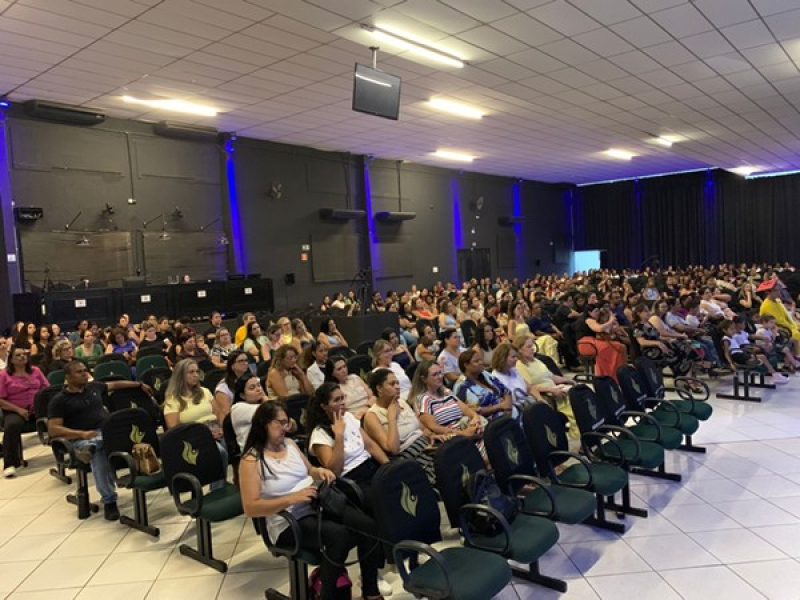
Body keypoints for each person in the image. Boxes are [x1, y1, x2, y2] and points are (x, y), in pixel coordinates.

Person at [239, 401, 384, 600]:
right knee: (339, 537)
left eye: (287, 422)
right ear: (264, 424)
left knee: (368, 526)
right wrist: (292, 498)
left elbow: (309, 470)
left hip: (316, 505)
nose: (285, 428)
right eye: (280, 423)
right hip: (287, 522)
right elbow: (251, 508)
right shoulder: (251, 460)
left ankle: (371, 591)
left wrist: (320, 471)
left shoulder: (290, 444)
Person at [47, 360, 153, 518]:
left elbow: (115, 385)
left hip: (104, 433)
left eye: (85, 370)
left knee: (106, 441)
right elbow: (53, 429)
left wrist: (139, 384)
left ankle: (92, 448)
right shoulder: (59, 400)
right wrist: (82, 434)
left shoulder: (93, 387)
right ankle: (109, 501)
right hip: (79, 439)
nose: (85, 374)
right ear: (68, 377)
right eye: (79, 372)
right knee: (99, 454)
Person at [363, 368, 436, 484]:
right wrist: (391, 417)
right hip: (408, 457)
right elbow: (393, 449)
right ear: (379, 388)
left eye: (397, 383)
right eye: (392, 384)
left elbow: (420, 426)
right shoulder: (372, 416)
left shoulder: (401, 401)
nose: (397, 387)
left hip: (426, 446)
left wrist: (430, 434)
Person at [164, 359, 229, 487]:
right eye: (191, 372)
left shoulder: (205, 391)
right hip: (195, 438)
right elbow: (174, 428)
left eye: (197, 372)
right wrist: (206, 435)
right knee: (220, 452)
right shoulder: (173, 399)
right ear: (180, 376)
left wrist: (223, 428)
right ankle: (218, 490)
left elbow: (219, 413)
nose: (196, 375)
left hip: (216, 430)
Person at [409, 360, 486, 459]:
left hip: (467, 428)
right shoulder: (423, 399)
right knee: (488, 452)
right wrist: (463, 434)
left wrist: (475, 419)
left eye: (440, 373)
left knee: (492, 442)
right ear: (424, 379)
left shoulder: (447, 392)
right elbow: (434, 427)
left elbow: (467, 410)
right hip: (453, 437)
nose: (440, 377)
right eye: (435, 374)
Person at [0, 348, 49, 477]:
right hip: (15, 410)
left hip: (37, 409)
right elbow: (0, 400)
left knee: (60, 416)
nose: (22, 357)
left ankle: (65, 451)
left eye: (24, 354)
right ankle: (10, 464)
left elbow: (46, 389)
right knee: (12, 425)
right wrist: (19, 410)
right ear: (11, 360)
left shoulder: (36, 371)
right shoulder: (4, 375)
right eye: (18, 355)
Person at [452, 348, 513, 421]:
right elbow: (475, 411)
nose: (481, 362)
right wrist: (500, 406)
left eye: (481, 359)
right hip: (490, 421)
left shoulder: (485, 374)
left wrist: (508, 405)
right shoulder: (461, 386)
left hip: (508, 412)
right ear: (466, 365)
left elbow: (506, 390)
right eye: (476, 361)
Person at [575, 303, 628, 382]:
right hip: (587, 343)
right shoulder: (589, 320)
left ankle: (620, 372)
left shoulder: (596, 320)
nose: (598, 313)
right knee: (618, 347)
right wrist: (611, 320)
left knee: (620, 346)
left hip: (595, 341)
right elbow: (599, 329)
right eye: (596, 311)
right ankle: (612, 374)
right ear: (589, 312)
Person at [490, 342, 541, 408]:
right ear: (503, 358)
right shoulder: (495, 378)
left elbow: (530, 387)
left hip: (528, 403)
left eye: (516, 356)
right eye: (513, 357)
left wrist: (540, 399)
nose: (516, 359)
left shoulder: (513, 370)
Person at [213, 351, 251, 422]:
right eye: (241, 361)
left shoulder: (250, 380)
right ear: (232, 365)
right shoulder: (223, 388)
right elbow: (227, 414)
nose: (245, 363)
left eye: (246, 360)